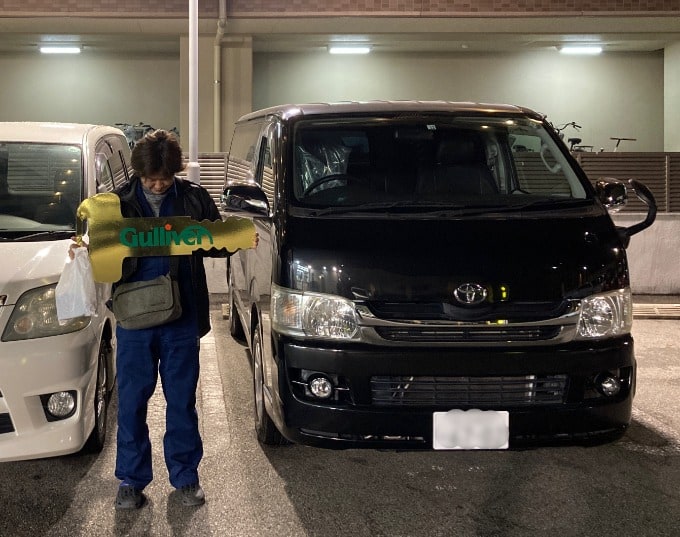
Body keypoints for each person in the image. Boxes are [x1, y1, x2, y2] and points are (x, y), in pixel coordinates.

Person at [104, 129, 223, 509]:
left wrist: (214, 236)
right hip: (133, 317)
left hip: (181, 317)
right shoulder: (116, 202)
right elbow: (103, 259)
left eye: (164, 179)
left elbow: (221, 243)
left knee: (182, 400)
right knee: (132, 402)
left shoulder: (193, 197)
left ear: (176, 173)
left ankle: (186, 478)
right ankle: (131, 480)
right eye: (150, 179)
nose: (157, 185)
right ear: (138, 173)